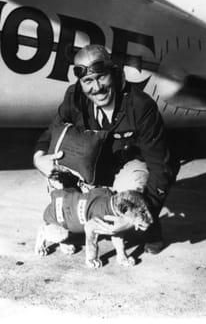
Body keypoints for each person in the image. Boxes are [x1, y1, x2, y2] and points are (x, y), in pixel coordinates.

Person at [33, 44, 179, 253]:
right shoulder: (75, 97)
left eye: (102, 77)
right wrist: (39, 159)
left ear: (115, 73)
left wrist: (146, 215)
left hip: (127, 168)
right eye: (88, 81)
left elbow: (161, 167)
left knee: (135, 189)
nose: (97, 88)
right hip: (93, 169)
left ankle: (149, 228)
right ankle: (74, 220)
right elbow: (52, 132)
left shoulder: (140, 106)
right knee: (55, 171)